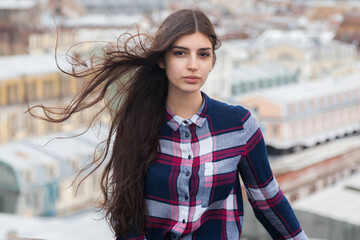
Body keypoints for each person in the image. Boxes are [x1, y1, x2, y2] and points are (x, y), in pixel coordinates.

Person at [29, 8, 308, 240]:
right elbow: (129, 216)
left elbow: (268, 201)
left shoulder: (239, 125)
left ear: (213, 61)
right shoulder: (138, 124)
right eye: (180, 53)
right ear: (162, 60)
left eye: (203, 54)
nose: (192, 65)